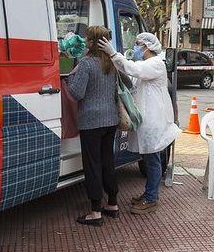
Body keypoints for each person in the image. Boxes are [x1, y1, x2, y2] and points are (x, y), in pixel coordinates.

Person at [98, 32, 181, 214]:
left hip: (155, 119)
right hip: (147, 118)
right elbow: (131, 75)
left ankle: (152, 198)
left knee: (152, 160)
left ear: (147, 46)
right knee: (149, 157)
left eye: (138, 44)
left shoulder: (156, 64)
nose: (136, 47)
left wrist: (113, 54)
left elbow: (134, 69)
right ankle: (149, 193)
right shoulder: (147, 63)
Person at [66, 26, 124, 226]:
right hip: (111, 120)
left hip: (91, 122)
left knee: (92, 164)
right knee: (108, 161)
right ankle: (113, 204)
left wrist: (70, 77)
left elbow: (77, 93)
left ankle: (95, 211)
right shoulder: (112, 64)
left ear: (91, 42)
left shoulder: (86, 64)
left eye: (87, 39)